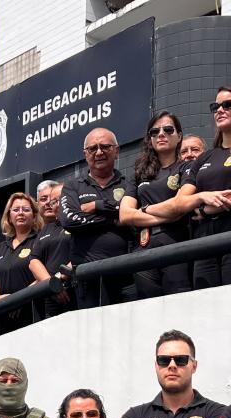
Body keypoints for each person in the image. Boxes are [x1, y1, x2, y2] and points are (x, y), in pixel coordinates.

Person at [146, 87, 231, 290]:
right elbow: (181, 202)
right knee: (204, 304)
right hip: (203, 241)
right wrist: (202, 197)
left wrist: (204, 209)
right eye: (215, 106)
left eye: (227, 104)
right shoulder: (204, 157)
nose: (220, 110)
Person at [119, 111, 194, 299]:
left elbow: (179, 205)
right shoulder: (139, 174)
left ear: (179, 136)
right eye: (155, 131)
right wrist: (168, 214)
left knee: (178, 301)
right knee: (148, 306)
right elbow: (125, 215)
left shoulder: (186, 167)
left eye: (168, 130)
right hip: (144, 247)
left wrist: (144, 210)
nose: (161, 134)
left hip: (176, 243)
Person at [58, 127, 131, 308]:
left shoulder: (129, 183)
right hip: (87, 277)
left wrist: (97, 206)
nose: (99, 152)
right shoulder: (72, 186)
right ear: (85, 154)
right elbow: (69, 220)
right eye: (92, 148)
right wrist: (113, 219)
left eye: (105, 146)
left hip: (126, 275)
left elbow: (134, 213)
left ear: (116, 151)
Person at [0, 192, 50, 335]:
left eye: (26, 209)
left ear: (34, 215)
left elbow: (45, 273)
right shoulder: (1, 247)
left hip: (33, 312)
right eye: (16, 210)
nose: (20, 213)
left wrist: (20, 298)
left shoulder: (40, 240)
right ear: (9, 216)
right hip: (5, 316)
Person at [34, 181, 74, 319]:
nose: (50, 204)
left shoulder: (77, 219)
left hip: (75, 288)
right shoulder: (45, 230)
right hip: (51, 296)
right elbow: (34, 261)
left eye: (58, 199)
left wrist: (58, 279)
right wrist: (52, 285)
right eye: (52, 201)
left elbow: (85, 249)